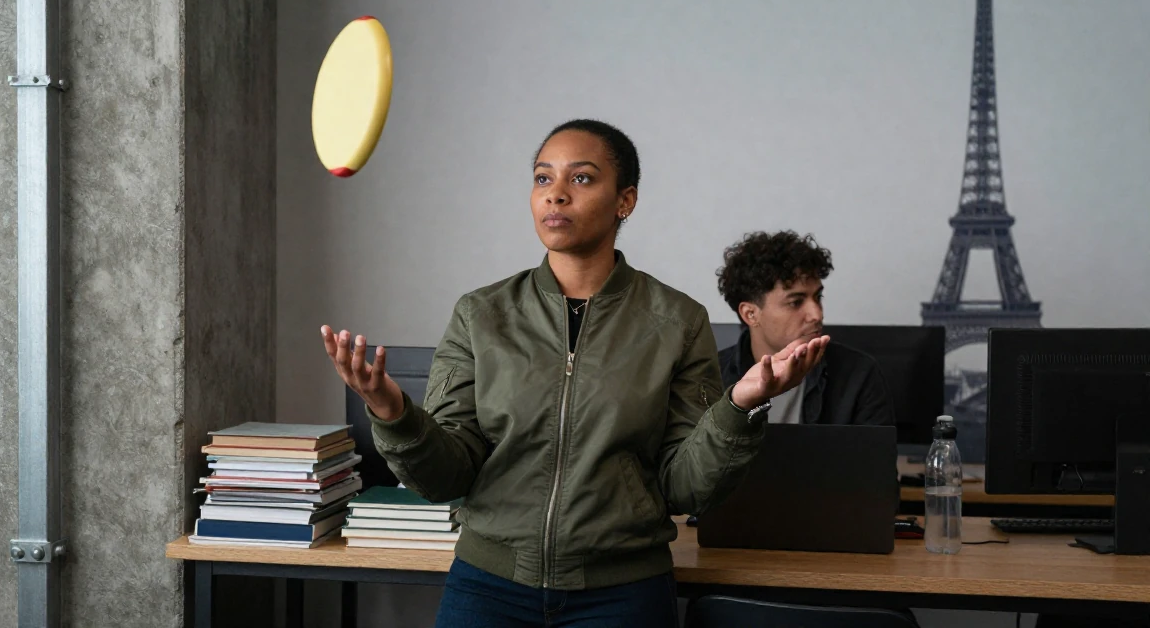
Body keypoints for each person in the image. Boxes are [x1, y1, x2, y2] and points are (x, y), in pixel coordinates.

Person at [320, 119, 829, 628]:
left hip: (623, 594)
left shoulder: (677, 321)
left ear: (624, 200)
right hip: (489, 588)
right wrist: (391, 411)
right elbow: (446, 476)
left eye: (581, 179)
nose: (555, 196)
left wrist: (740, 407)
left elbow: (685, 487)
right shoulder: (482, 314)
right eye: (543, 179)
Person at [715, 230, 893, 426]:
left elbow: (872, 456)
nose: (817, 314)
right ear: (751, 314)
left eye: (818, 297)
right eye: (796, 302)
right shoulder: (709, 378)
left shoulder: (859, 374)